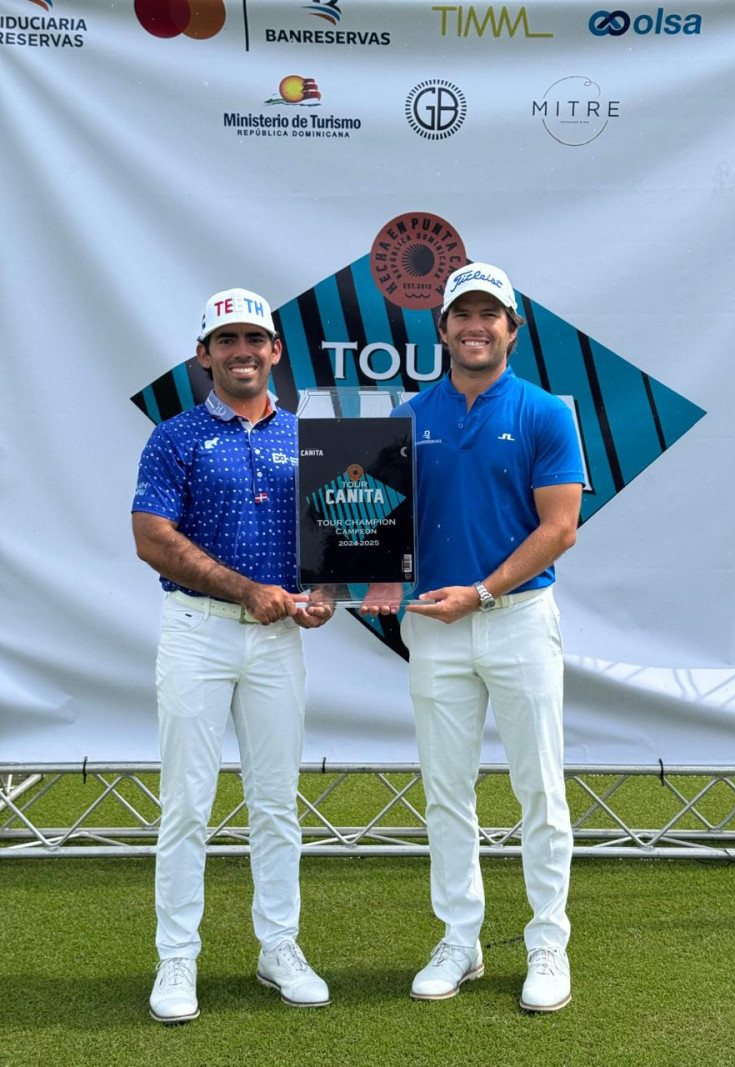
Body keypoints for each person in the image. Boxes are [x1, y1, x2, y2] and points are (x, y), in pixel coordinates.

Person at [362, 263, 584, 1012]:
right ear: (444, 330)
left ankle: (547, 942)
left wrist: (486, 591)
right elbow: (386, 530)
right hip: (436, 629)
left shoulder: (546, 413)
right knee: (447, 792)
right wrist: (378, 575)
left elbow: (561, 528)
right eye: (463, 315)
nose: (476, 326)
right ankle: (461, 939)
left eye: (491, 315)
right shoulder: (408, 416)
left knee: (539, 790)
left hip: (518, 620)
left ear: (513, 330)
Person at [132, 287, 333, 1024]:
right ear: (203, 354)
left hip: (278, 637)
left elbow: (337, 531)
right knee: (187, 800)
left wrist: (327, 591)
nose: (242, 350)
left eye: (256, 338)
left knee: (276, 801)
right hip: (198, 629)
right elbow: (153, 537)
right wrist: (247, 588)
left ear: (276, 350)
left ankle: (278, 944)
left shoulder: (309, 437)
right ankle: (177, 954)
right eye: (227, 340)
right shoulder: (176, 437)